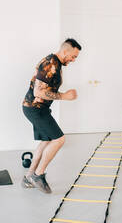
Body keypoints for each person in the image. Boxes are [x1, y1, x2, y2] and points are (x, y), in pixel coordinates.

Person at [22, 38, 82, 193]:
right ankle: (38, 174)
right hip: (35, 108)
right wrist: (64, 96)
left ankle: (29, 177)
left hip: (38, 108)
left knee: (46, 141)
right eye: (73, 56)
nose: (74, 60)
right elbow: (38, 92)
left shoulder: (57, 63)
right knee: (59, 139)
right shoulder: (50, 63)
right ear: (65, 51)